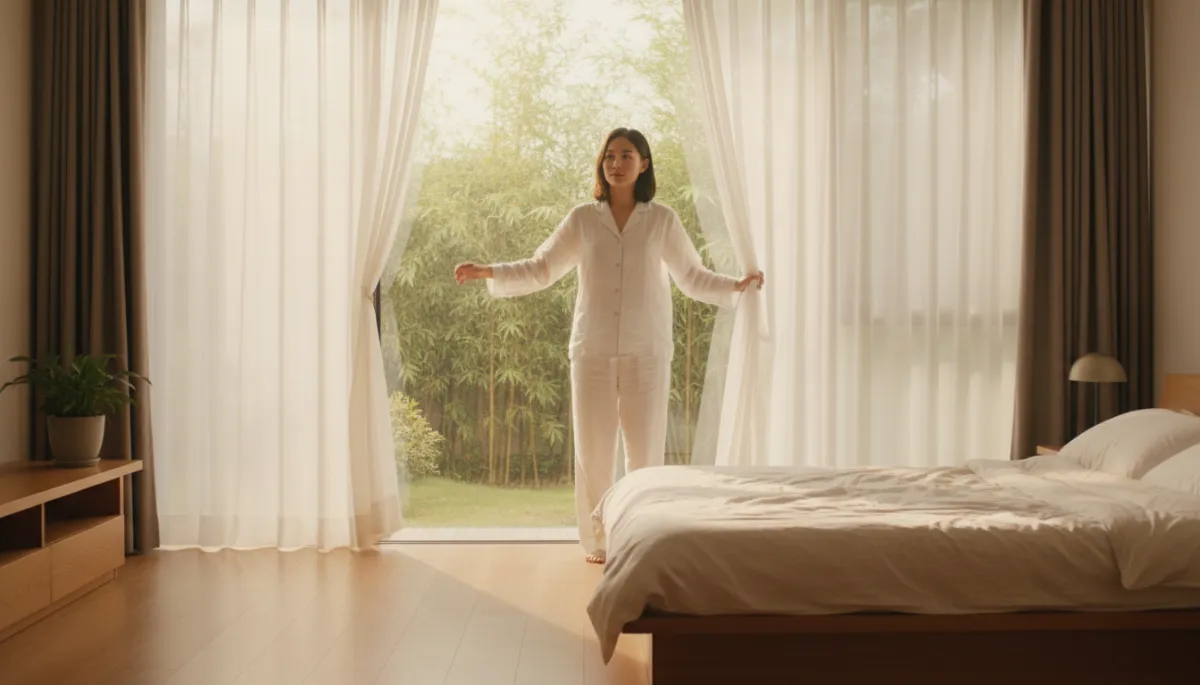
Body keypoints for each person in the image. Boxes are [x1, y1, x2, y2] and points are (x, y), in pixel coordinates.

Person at [454, 128, 763, 563]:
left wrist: (737, 284)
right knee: (593, 452)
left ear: (644, 164)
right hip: (592, 350)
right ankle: (599, 541)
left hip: (647, 352)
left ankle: (643, 538)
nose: (616, 164)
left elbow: (692, 277)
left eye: (626, 156)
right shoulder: (583, 219)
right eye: (610, 156)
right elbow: (543, 267)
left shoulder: (662, 221)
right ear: (602, 164)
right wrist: (489, 271)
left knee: (646, 452)